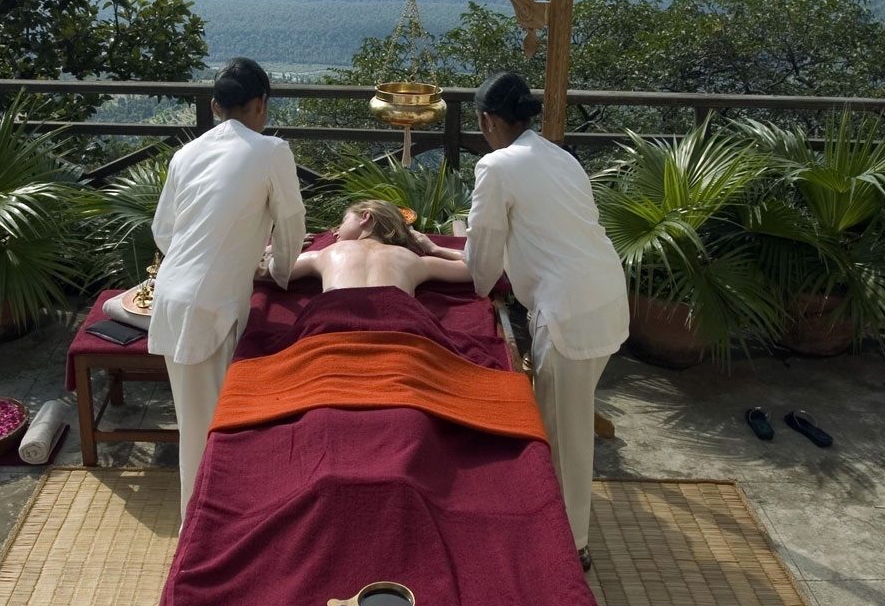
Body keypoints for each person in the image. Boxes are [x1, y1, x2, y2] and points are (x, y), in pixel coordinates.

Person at [461, 72, 629, 572]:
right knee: (565, 423)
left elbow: (484, 261)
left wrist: (468, 274)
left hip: (569, 312)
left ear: (488, 120)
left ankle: (570, 548)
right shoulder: (560, 155)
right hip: (604, 295)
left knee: (565, 435)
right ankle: (558, 529)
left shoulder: (496, 166)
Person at [148, 57, 306, 518]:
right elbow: (292, 226)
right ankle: (198, 540)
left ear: (216, 105)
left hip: (176, 294)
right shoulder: (271, 150)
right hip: (207, 306)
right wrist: (277, 272)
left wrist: (222, 253)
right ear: (262, 104)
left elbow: (165, 232)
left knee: (198, 424)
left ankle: (212, 527)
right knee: (207, 434)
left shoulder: (186, 153)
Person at [264, 199, 470, 295]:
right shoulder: (412, 260)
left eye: (342, 222)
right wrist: (435, 249)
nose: (334, 232)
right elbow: (476, 268)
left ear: (366, 218)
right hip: (399, 325)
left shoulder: (327, 253)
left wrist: (278, 249)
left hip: (335, 319)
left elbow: (269, 271)